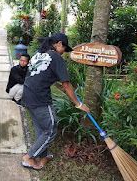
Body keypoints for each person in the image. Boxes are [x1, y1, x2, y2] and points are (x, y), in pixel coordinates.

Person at [21, 33, 90, 171]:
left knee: (41, 129)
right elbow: (66, 85)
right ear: (58, 43)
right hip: (40, 98)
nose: (64, 52)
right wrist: (79, 104)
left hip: (27, 95)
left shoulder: (37, 54)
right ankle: (29, 157)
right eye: (64, 47)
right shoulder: (56, 58)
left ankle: (43, 156)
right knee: (51, 129)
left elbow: (39, 74)